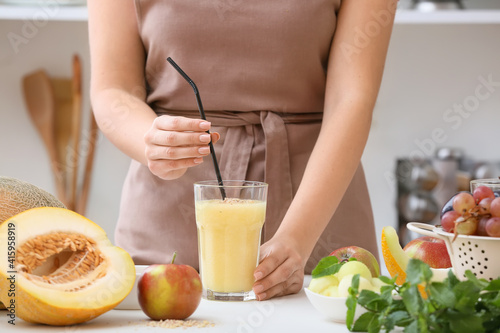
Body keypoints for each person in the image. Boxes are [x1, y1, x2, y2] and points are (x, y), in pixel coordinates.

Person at [88, 0, 397, 301]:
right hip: (170, 214)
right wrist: (151, 139)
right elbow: (113, 89)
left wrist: (298, 239)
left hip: (319, 214)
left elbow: (351, 98)